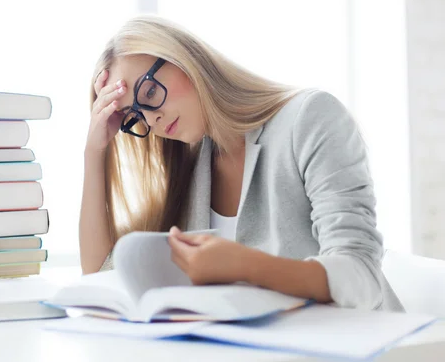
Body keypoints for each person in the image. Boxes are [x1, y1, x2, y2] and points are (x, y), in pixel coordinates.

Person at [79, 15, 403, 311]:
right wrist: (95, 152)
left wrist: (246, 265)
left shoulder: (310, 118)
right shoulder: (190, 166)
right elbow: (99, 275)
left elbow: (360, 275)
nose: (153, 118)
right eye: (135, 116)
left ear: (186, 60)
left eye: (150, 91)